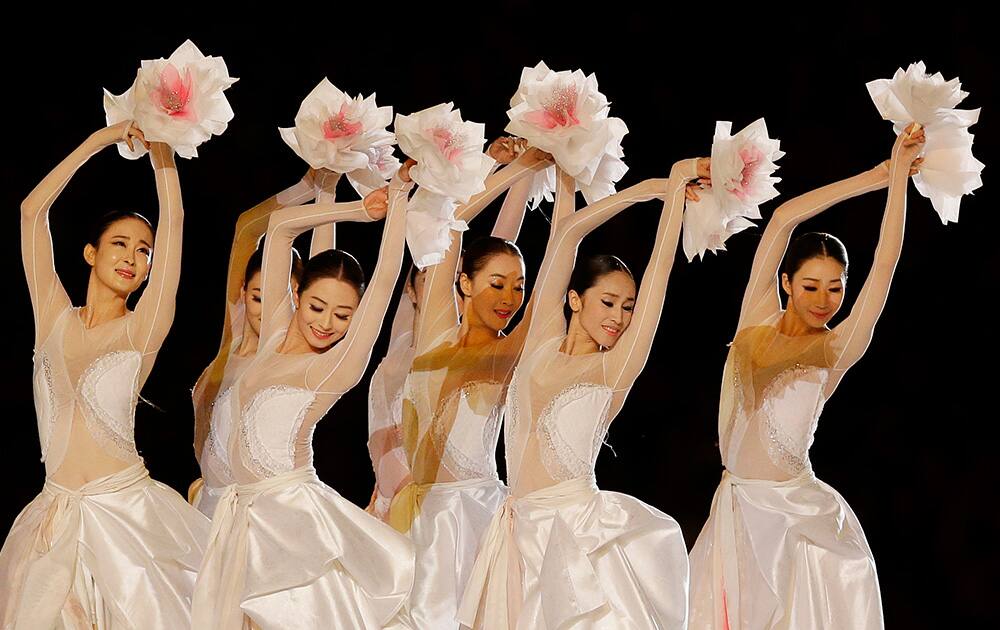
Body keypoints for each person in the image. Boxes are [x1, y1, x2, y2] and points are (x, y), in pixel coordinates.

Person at [687, 124, 925, 630]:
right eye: (812, 286)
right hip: (734, 509)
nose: (824, 299)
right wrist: (875, 175)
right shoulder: (754, 321)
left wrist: (900, 178)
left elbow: (886, 263)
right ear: (786, 283)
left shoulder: (836, 347)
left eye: (835, 288)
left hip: (795, 517)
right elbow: (782, 218)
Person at [458, 155, 709, 629]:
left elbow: (658, 275)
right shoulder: (541, 340)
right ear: (575, 299)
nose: (618, 316)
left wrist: (673, 198)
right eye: (608, 302)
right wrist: (648, 187)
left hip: (576, 534)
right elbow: (569, 232)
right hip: (515, 532)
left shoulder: (614, 366)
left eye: (626, 307)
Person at [2, 121, 209, 629]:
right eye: (120, 244)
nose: (133, 257)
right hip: (55, 521)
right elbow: (32, 213)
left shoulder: (143, 329)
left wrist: (162, 145)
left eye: (143, 250)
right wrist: (102, 140)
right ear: (91, 253)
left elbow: (176, 218)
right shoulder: (53, 318)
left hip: (126, 517)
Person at [192, 163, 417, 629]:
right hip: (241, 514)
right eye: (316, 306)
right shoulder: (274, 331)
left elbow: (386, 277)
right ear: (298, 295)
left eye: (342, 314)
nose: (326, 323)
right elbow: (277, 229)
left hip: (290, 516)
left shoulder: (334, 365)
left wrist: (396, 202)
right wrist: (359, 208)